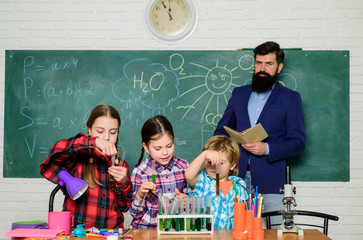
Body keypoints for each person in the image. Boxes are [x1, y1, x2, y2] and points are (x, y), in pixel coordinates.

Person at [214, 41, 305, 213]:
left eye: (269, 64)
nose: (262, 69)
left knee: (271, 235)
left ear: (279, 67)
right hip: (234, 179)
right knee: (234, 232)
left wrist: (267, 148)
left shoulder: (290, 98)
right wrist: (229, 147)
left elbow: (298, 142)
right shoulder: (239, 94)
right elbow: (220, 132)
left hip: (270, 182)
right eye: (259, 63)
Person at [40, 104, 133, 228]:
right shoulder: (77, 156)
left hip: (110, 234)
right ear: (89, 130)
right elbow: (50, 161)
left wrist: (123, 182)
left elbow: (123, 207)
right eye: (100, 131)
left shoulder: (120, 165)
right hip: (79, 234)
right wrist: (93, 141)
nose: (106, 137)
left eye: (113, 132)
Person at [129, 115, 188, 229]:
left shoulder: (184, 167)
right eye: (158, 148)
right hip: (146, 231)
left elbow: (195, 203)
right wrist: (140, 195)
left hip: (175, 232)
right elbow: (135, 214)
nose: (165, 152)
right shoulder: (140, 173)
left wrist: (187, 201)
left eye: (169, 146)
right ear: (146, 147)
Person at [185, 135, 248, 229]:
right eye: (210, 162)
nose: (214, 166)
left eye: (220, 163)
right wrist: (205, 154)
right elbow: (189, 175)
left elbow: (245, 215)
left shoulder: (238, 187)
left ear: (232, 165)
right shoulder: (202, 180)